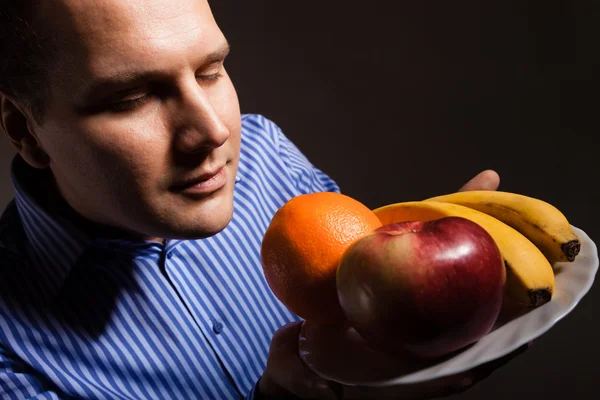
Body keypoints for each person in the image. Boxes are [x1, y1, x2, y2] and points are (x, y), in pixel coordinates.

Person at [0, 0, 521, 399]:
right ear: (25, 129)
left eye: (210, 71)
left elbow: (358, 324)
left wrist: (430, 298)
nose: (212, 132)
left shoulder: (267, 153)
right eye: (132, 98)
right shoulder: (11, 353)